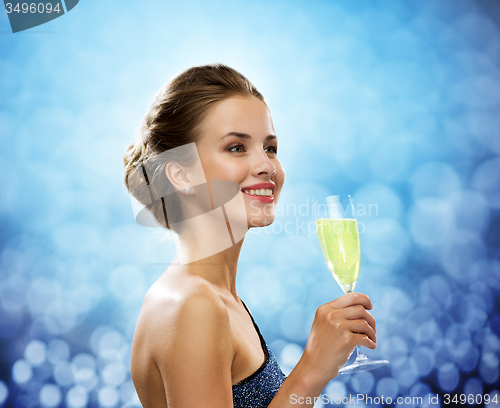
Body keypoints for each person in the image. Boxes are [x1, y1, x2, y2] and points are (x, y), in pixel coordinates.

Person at [123, 64, 377, 408]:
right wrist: (313, 369)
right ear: (181, 175)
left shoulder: (213, 298)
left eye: (270, 148)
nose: (267, 166)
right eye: (236, 148)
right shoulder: (194, 307)